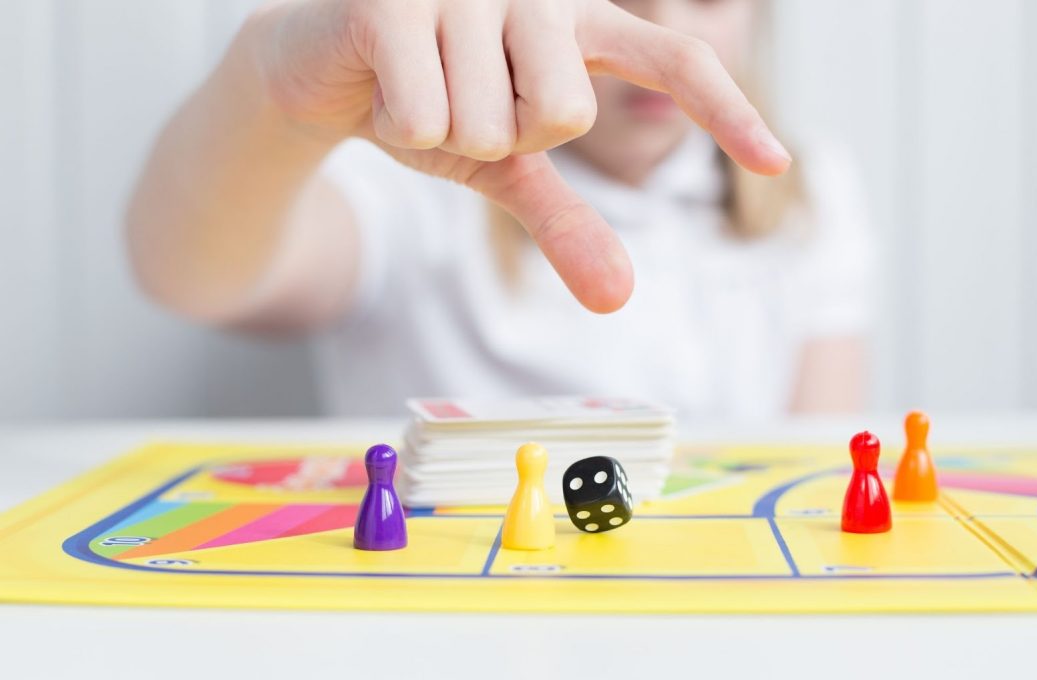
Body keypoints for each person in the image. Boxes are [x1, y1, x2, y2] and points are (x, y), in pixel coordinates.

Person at [126, 0, 873, 420]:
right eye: (618, 2)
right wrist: (275, 97)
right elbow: (188, 277)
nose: (665, 28)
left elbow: (814, 464)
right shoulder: (406, 161)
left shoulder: (813, 189)